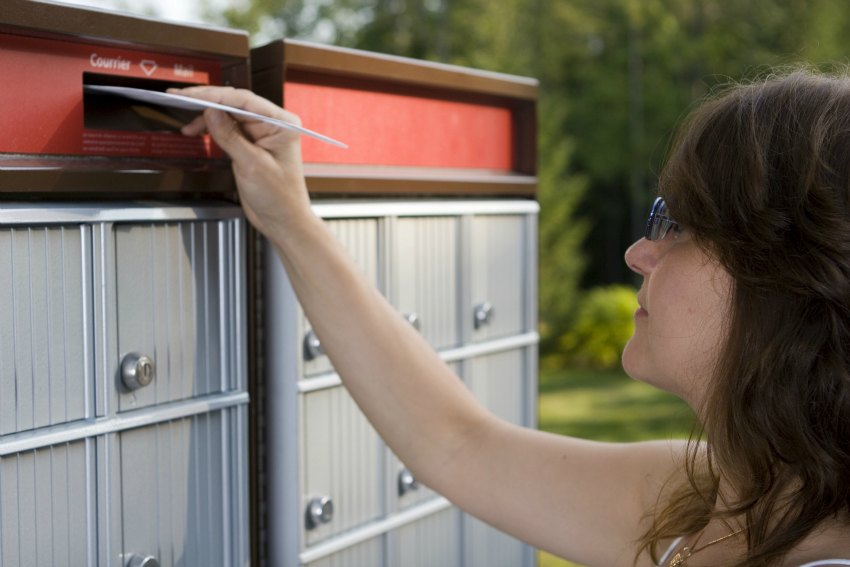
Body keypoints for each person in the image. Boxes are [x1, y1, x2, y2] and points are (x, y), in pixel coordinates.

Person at [170, 69, 850, 567]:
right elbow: (458, 444)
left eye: (679, 225)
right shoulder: (709, 495)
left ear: (783, 282)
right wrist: (290, 218)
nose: (639, 252)